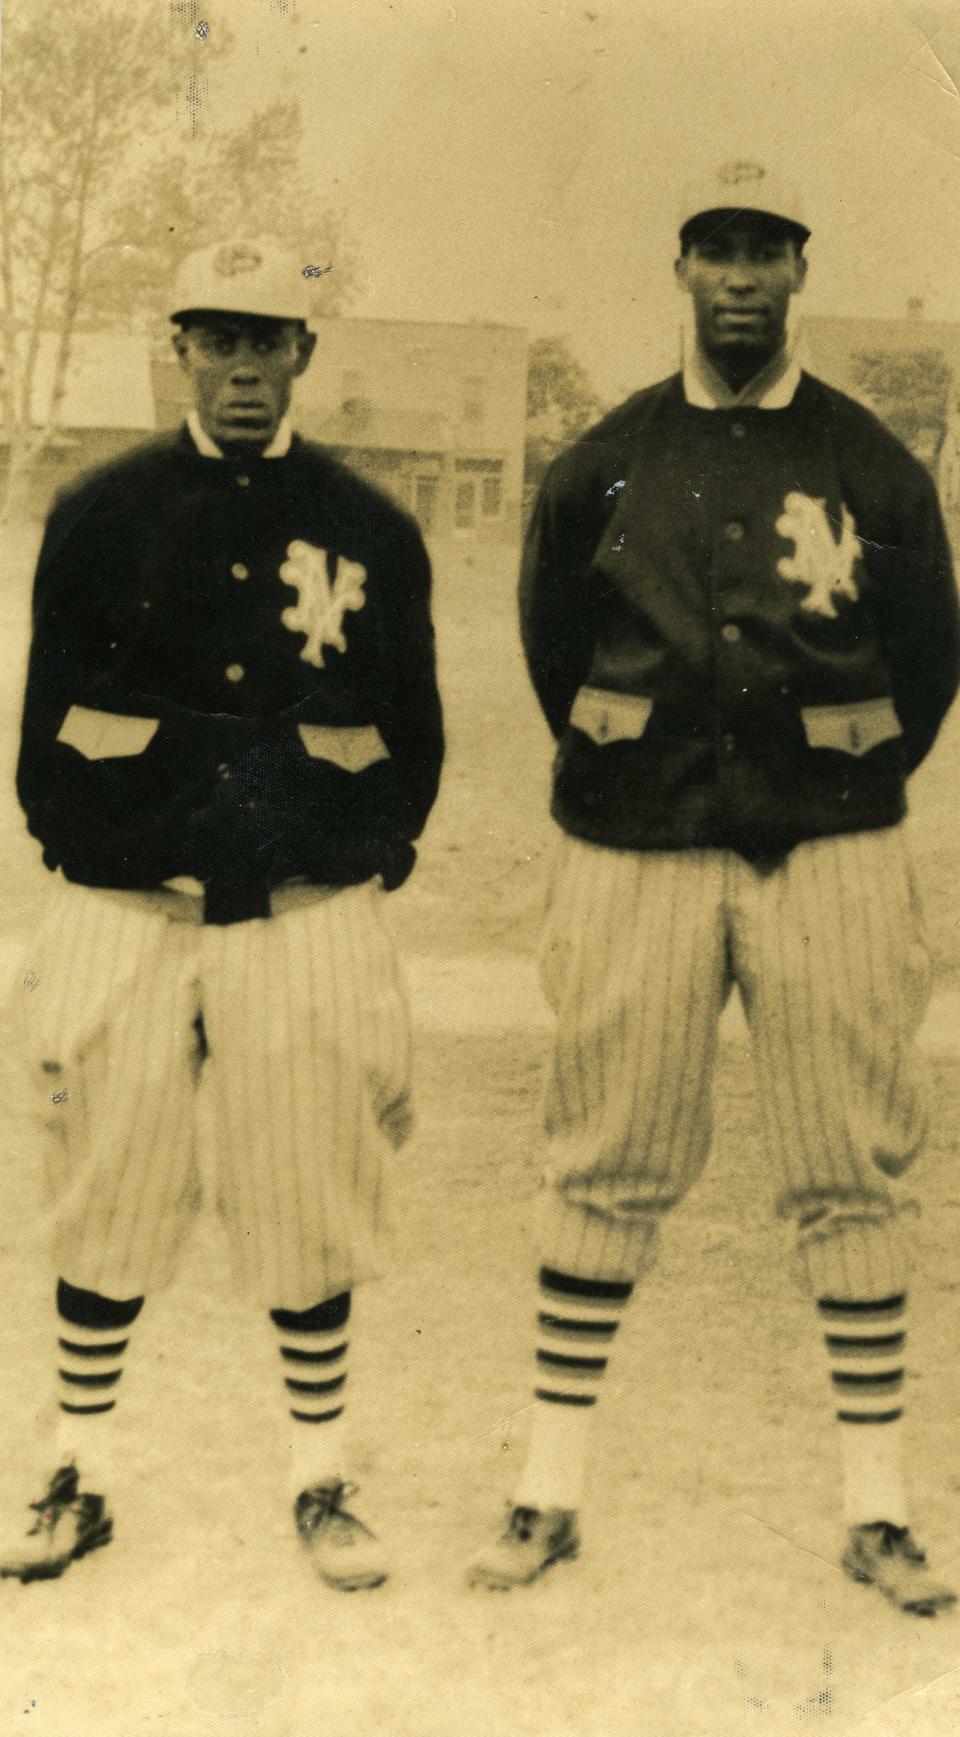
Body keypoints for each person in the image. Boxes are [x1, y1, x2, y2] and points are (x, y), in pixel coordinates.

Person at [467, 162, 959, 1615]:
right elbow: (554, 641)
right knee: (602, 1151)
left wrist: (837, 770)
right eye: (716, 251)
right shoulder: (603, 457)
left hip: (833, 840)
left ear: (801, 270)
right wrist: (637, 760)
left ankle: (878, 1508)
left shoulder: (873, 460)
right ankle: (548, 1488)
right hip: (640, 839)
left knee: (850, 1159)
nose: (741, 278)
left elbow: (931, 656)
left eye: (768, 252)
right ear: (680, 269)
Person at [3, 238, 443, 1590]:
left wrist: (336, 850)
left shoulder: (369, 523)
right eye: (218, 338)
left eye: (268, 340)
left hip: (302, 910)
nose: (243, 365)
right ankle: (80, 1466)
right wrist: (126, 845)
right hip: (128, 905)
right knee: (104, 1184)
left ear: (307, 353)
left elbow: (413, 744)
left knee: (309, 1185)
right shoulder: (101, 506)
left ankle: (321, 1476)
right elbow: (43, 740)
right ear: (179, 347)